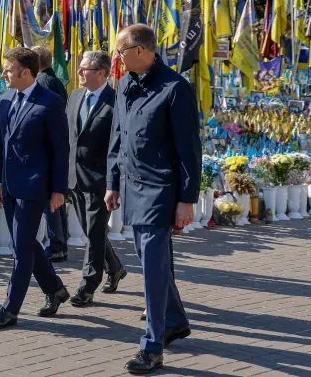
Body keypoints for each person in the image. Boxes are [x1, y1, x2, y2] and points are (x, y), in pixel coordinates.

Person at [106, 25, 201, 374]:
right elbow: (118, 137)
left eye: (121, 51)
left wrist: (187, 199)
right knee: (154, 263)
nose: (116, 57)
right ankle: (174, 319)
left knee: (150, 268)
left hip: (161, 190)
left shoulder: (175, 88)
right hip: (132, 188)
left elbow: (189, 150)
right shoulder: (126, 84)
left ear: (142, 50)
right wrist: (112, 183)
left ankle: (152, 345)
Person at [0, 47, 69, 329]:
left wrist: (58, 190)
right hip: (9, 185)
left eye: (9, 68)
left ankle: (10, 309)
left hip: (35, 186)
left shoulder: (50, 102)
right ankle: (55, 288)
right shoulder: (7, 99)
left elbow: (60, 150)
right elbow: (0, 143)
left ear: (25, 72)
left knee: (20, 249)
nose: (4, 72)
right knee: (27, 242)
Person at [65, 50, 126, 307]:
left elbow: (119, 144)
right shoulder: (75, 96)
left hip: (101, 180)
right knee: (93, 232)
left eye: (85, 69)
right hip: (73, 177)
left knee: (94, 231)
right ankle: (115, 267)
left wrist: (114, 182)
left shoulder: (116, 102)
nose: (79, 73)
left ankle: (88, 284)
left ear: (101, 73)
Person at [31, 45, 69, 262]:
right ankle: (60, 241)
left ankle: (56, 244)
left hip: (46, 148)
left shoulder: (44, 83)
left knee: (50, 201)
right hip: (53, 146)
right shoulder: (53, 80)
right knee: (56, 200)